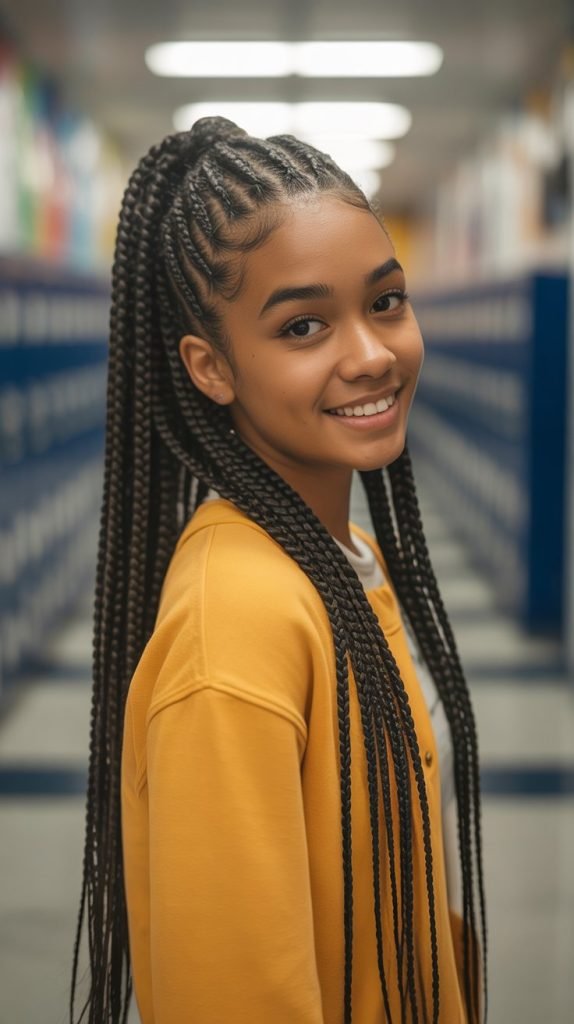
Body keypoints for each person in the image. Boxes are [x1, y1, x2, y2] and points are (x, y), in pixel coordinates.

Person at [70, 116, 487, 1024]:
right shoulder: (238, 622)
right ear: (212, 368)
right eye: (304, 325)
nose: (372, 353)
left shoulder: (342, 560)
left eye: (385, 301)